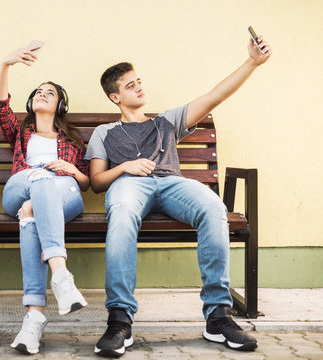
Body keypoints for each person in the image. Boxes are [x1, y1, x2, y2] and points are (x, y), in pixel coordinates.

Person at [85, 36, 272, 357]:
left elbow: (214, 96)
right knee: (121, 209)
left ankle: (217, 315)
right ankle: (120, 318)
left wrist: (252, 63)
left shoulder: (166, 121)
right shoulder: (105, 132)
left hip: (172, 184)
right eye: (131, 86)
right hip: (130, 184)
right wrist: (126, 166)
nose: (140, 88)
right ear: (115, 97)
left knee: (214, 207)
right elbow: (97, 181)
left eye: (139, 81)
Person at [0, 44, 90, 355]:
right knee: (38, 179)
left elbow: (87, 183)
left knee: (30, 209)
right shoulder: (21, 134)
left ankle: (34, 318)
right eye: (38, 91)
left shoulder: (73, 140)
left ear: (61, 105)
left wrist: (72, 168)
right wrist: (6, 64)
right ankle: (60, 275)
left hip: (65, 192)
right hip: (21, 184)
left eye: (50, 92)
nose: (42, 94)